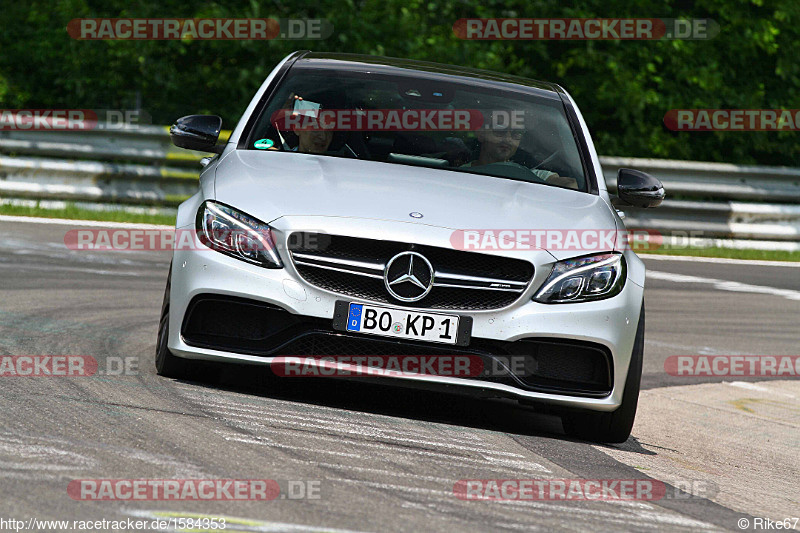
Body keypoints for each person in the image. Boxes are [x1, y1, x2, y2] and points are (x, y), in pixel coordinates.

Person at [463, 115, 579, 189]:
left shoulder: (537, 176)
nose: (508, 139)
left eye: (515, 135)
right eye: (499, 131)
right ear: (481, 134)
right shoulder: (460, 173)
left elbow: (570, 184)